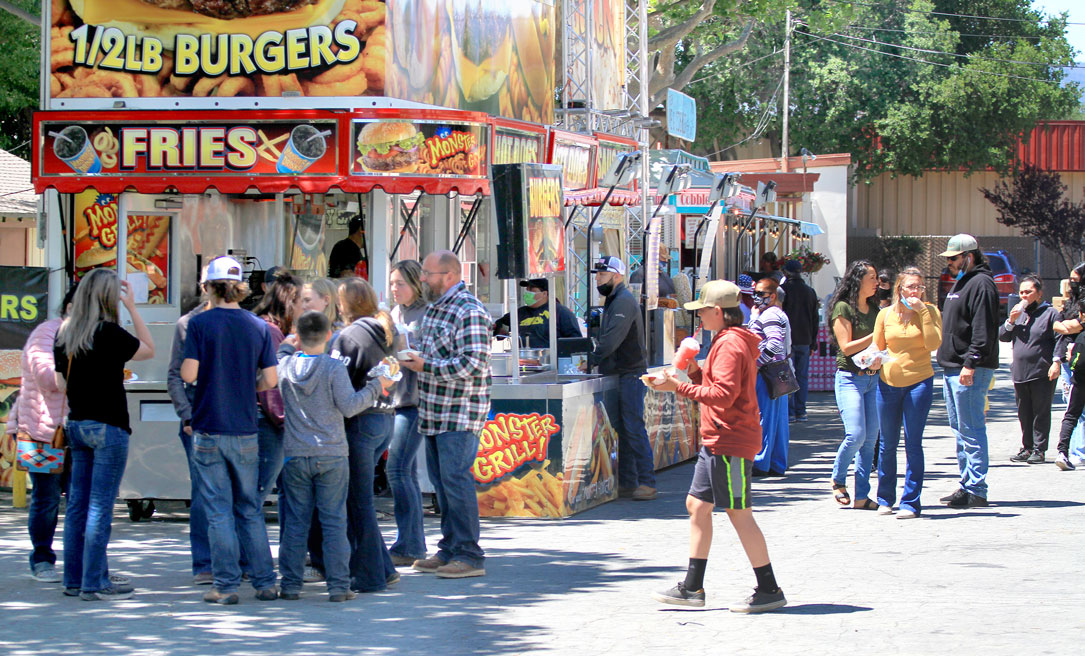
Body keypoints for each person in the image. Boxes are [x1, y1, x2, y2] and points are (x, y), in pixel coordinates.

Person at [649, 280, 786, 613]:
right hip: (717, 440)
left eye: (702, 312)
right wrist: (695, 374)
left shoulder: (729, 344)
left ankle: (769, 588)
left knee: (740, 514)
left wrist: (676, 387)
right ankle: (692, 587)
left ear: (717, 312)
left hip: (730, 440)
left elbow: (723, 397)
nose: (699, 318)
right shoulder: (730, 341)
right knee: (697, 506)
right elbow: (721, 386)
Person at [180, 256, 279, 605]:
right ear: (240, 287)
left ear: (209, 286)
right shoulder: (258, 326)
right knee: (249, 507)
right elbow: (270, 380)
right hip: (245, 428)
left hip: (208, 426)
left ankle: (225, 585)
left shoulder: (201, 324)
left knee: (218, 509)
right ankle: (266, 581)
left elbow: (189, 374)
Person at [276, 310, 394, 602]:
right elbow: (350, 406)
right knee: (334, 521)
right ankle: (339, 586)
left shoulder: (285, 367)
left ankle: (290, 584)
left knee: (295, 522)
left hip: (295, 454)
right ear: (330, 336)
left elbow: (281, 354)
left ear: (298, 336)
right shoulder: (332, 368)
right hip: (332, 454)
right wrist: (377, 386)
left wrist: (288, 345)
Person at [54, 269, 154, 600]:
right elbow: (148, 350)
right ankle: (95, 582)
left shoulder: (65, 334)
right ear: (109, 298)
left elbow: (60, 385)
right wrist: (134, 309)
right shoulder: (110, 332)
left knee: (77, 505)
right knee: (100, 506)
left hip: (78, 425)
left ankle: (73, 579)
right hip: (109, 425)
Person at [401, 250, 490, 578]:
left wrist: (426, 365)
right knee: (443, 483)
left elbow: (473, 363)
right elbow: (439, 353)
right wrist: (416, 357)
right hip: (435, 410)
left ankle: (469, 554)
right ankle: (450, 548)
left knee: (455, 480)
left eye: (428, 273)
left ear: (449, 276)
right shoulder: (438, 308)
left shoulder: (468, 310)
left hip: (459, 411)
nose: (422, 278)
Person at [331, 277, 399, 592]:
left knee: (358, 502)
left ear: (345, 304)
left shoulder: (348, 336)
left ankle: (371, 575)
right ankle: (383, 567)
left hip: (360, 419)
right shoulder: (383, 329)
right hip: (384, 417)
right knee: (362, 500)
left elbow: (336, 381)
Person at [8, 285, 79, 583]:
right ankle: (41, 559)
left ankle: (78, 563)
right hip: (41, 430)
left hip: (78, 429)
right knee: (47, 498)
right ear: (72, 305)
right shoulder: (46, 333)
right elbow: (48, 378)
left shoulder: (94, 333)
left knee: (78, 499)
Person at [872, 267, 942, 519]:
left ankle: (910, 502)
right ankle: (885, 498)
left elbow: (933, 344)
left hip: (919, 382)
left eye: (919, 287)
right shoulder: (885, 314)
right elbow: (878, 347)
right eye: (911, 286)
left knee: (913, 443)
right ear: (899, 289)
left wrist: (922, 311)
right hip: (888, 384)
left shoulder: (930, 311)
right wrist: (872, 360)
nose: (915, 291)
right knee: (888, 444)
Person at [937, 234, 999, 507]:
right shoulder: (964, 281)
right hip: (953, 367)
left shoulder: (982, 284)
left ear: (969, 256)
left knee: (971, 429)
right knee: (960, 429)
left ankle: (977, 488)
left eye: (953, 258)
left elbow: (983, 329)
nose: (949, 263)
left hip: (967, 368)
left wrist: (971, 363)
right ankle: (967, 483)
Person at [591, 255, 656, 501]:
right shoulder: (615, 299)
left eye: (602, 274)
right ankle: (629, 482)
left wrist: (594, 358)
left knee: (633, 428)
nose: (598, 279)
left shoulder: (623, 301)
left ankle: (647, 482)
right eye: (597, 274)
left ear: (617, 276)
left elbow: (610, 340)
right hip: (622, 372)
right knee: (624, 430)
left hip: (630, 373)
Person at [166, 270, 213, 585]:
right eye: (211, 284)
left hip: (233, 420)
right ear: (203, 286)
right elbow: (174, 375)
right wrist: (186, 415)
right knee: (202, 491)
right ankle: (204, 563)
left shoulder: (243, 322)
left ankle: (238, 560)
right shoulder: (188, 324)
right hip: (197, 418)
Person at [828, 259, 882, 509]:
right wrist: (878, 333)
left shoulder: (875, 310)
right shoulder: (843, 308)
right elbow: (846, 347)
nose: (876, 282)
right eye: (872, 277)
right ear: (858, 280)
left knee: (871, 439)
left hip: (873, 379)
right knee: (856, 434)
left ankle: (862, 496)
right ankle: (838, 480)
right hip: (850, 378)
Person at [387, 259, 430, 566]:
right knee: (407, 473)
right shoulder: (393, 314)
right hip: (396, 397)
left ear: (416, 284)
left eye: (400, 283)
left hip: (417, 399)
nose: (395, 289)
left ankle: (410, 544)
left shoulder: (426, 314)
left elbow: (432, 356)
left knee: (398, 470)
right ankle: (411, 541)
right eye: (392, 283)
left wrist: (410, 351)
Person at [1000, 275, 1059, 465]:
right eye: (1021, 292)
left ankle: (1039, 449)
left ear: (1039, 293)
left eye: (1029, 292)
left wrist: (1056, 362)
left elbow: (1059, 340)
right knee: (1024, 412)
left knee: (1040, 412)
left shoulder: (1050, 313)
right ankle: (1027, 447)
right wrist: (1011, 320)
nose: (1024, 296)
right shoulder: (1018, 314)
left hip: (1041, 371)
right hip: (1020, 372)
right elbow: (1003, 336)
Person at [749, 278, 791, 476]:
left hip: (767, 373)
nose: (756, 297)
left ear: (772, 296)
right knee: (778, 420)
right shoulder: (774, 314)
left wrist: (756, 365)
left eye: (761, 293)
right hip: (778, 371)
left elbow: (774, 344)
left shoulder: (770, 315)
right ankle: (776, 463)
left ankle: (761, 462)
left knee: (764, 418)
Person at [1052, 262, 1085, 467]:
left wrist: (1064, 326)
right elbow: (1059, 326)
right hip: (1070, 361)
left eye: (1075, 280)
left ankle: (1078, 451)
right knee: (1072, 409)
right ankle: (1068, 451)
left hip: (1079, 359)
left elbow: (1067, 327)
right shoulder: (1072, 301)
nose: (1072, 284)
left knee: (1077, 411)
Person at [493, 278, 582, 347]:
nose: (527, 293)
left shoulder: (561, 313)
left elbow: (575, 342)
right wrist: (500, 330)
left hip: (551, 364)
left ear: (544, 294)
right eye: (527, 290)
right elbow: (500, 325)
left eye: (532, 291)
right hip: (522, 361)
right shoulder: (519, 313)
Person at [781, 260, 819, 422]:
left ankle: (790, 411)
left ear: (786, 272)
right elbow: (814, 318)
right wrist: (813, 342)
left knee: (788, 376)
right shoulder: (809, 291)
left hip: (787, 340)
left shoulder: (783, 291)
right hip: (804, 338)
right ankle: (801, 410)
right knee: (802, 376)